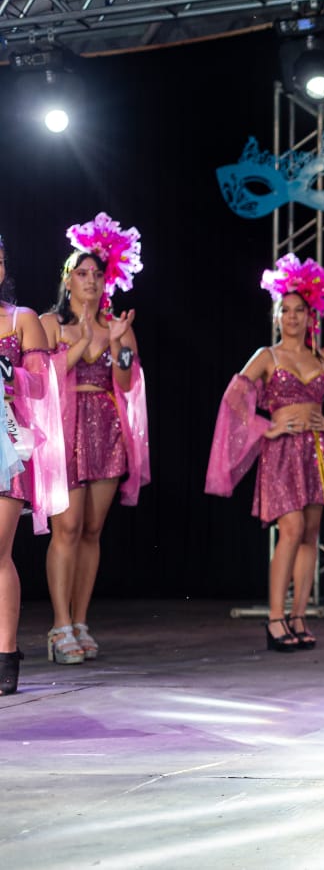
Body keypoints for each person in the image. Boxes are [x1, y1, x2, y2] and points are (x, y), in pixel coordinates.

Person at [205, 256, 324, 652]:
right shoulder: (266, 356)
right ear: (276, 316)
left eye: (299, 310)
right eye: (285, 310)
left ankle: (298, 616)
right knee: (291, 529)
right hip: (282, 451)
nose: (292, 317)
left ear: (311, 316)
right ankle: (274, 619)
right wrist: (266, 427)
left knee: (309, 533)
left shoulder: (321, 359)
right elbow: (234, 398)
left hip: (315, 451)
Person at [40, 213, 149, 665]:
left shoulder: (117, 326)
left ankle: (81, 621)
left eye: (97, 274)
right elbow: (39, 379)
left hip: (105, 428)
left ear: (107, 281)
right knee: (66, 528)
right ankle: (59, 625)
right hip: (64, 429)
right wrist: (83, 346)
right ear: (67, 279)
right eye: (82, 273)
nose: (90, 280)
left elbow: (125, 382)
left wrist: (118, 344)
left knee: (91, 529)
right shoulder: (49, 324)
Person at [0, 235, 64, 693]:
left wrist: (9, 376)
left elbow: (42, 386)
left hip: (7, 441)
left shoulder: (20, 319)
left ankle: (5, 654)